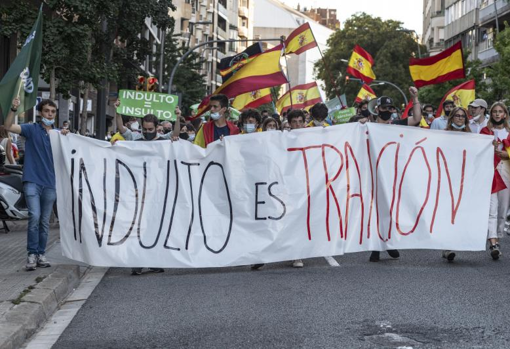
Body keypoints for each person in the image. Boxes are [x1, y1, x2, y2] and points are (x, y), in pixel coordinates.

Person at [368, 87, 422, 262]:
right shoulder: (368, 126)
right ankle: (376, 247)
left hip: (394, 174)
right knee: (376, 211)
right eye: (384, 109)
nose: (387, 112)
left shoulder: (397, 124)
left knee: (392, 210)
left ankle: (389, 243)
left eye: (390, 109)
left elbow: (417, 118)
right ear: (377, 109)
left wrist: (415, 98)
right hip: (374, 174)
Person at [5, 98, 58, 271]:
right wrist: (13, 109)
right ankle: (31, 254)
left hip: (50, 183)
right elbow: (8, 127)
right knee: (34, 217)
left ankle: (41, 254)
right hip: (32, 181)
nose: (49, 114)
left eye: (52, 111)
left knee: (44, 221)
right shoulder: (31, 129)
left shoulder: (58, 135)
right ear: (40, 113)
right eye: (46, 111)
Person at [441, 107, 472, 262]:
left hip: (464, 178)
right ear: (451, 118)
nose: (460, 118)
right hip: (447, 178)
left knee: (460, 211)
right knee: (448, 211)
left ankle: (454, 241)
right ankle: (447, 246)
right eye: (457, 116)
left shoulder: (471, 137)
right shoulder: (444, 135)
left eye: (462, 116)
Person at [480, 102, 510, 260]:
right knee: (492, 208)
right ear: (491, 114)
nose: (497, 114)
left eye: (500, 112)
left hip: (506, 171)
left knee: (503, 210)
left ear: (505, 114)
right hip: (490, 172)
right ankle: (493, 242)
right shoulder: (485, 131)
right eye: (495, 112)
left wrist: (507, 154)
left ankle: (497, 236)